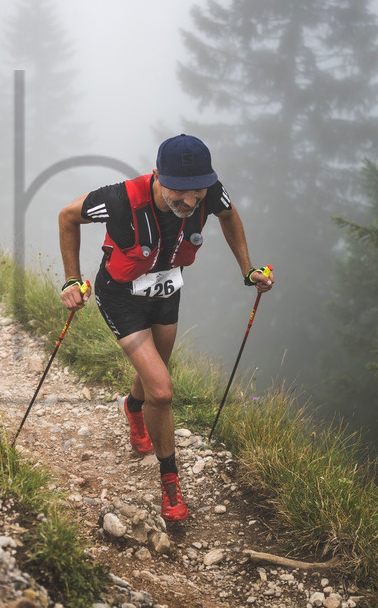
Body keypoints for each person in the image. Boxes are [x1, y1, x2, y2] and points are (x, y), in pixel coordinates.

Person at [57, 134, 274, 522]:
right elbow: (67, 216)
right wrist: (72, 280)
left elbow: (229, 214)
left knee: (153, 377)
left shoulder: (209, 193)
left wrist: (248, 269)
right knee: (162, 388)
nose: (190, 202)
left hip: (165, 290)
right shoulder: (121, 198)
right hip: (121, 296)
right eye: (179, 190)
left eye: (197, 191)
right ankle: (170, 481)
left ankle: (133, 408)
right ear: (158, 176)